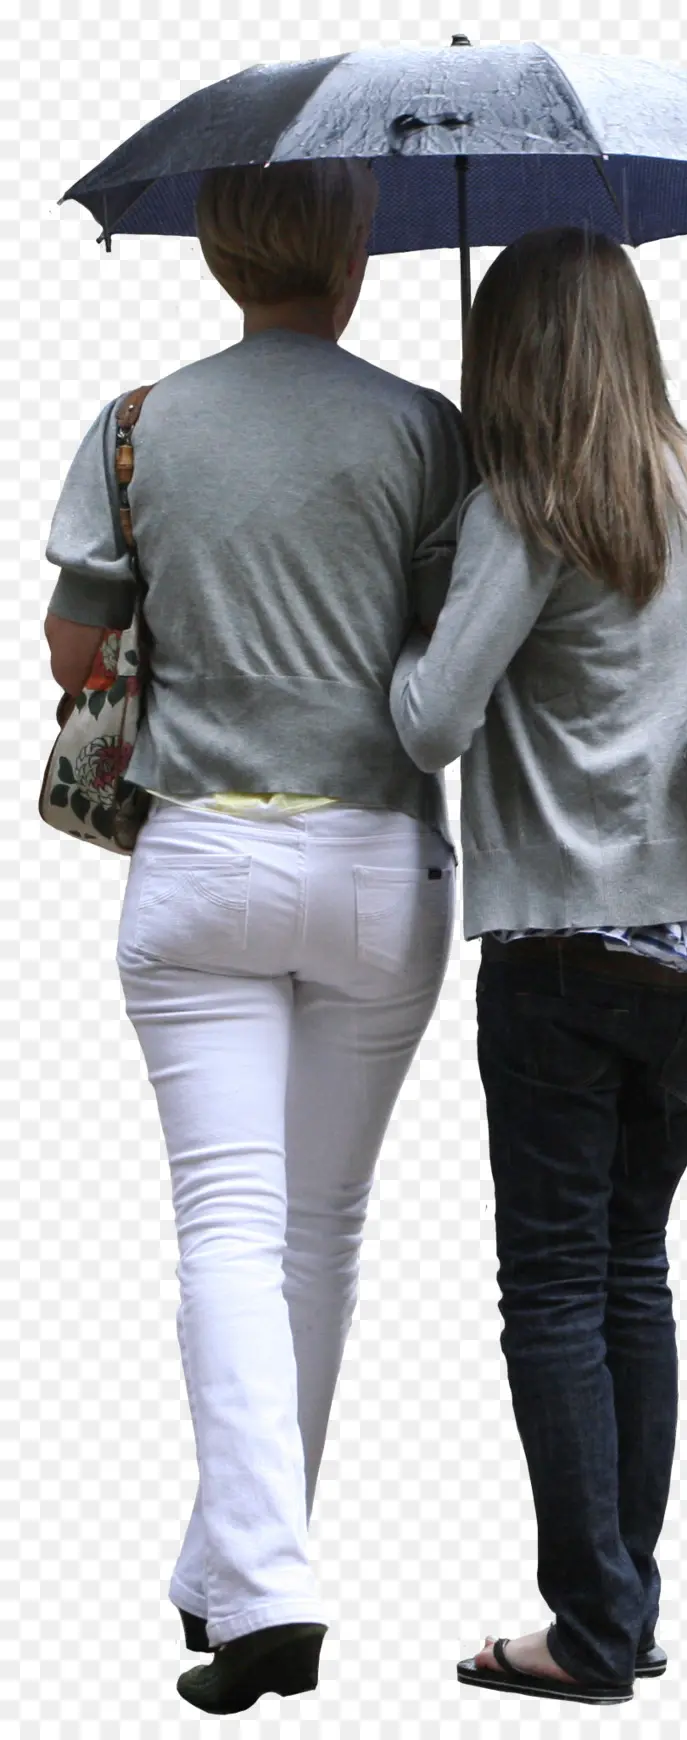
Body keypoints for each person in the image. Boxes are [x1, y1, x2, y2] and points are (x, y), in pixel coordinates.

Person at [42, 158, 472, 1715]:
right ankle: (250, 1569)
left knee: (224, 1229)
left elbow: (76, 647)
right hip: (376, 858)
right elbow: (452, 653)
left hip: (198, 855)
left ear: (219, 254)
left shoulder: (138, 419)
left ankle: (251, 1579)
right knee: (323, 1230)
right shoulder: (431, 422)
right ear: (354, 254)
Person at [389, 226, 687, 1708]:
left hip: (561, 944)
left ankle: (593, 1632)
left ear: (512, 356)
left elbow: (430, 723)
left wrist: (424, 606)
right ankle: (631, 1604)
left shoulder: (526, 507)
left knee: (552, 1283)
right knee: (634, 1272)